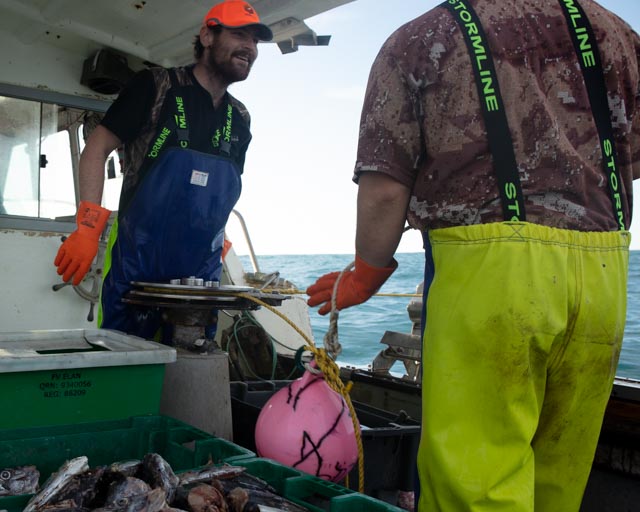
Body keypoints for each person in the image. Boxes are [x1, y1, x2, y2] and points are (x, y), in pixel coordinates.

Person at [306, 0, 640, 510]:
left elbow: (385, 190)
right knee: (558, 481)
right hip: (604, 277)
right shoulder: (614, 33)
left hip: (491, 281)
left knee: (474, 486)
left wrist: (367, 273)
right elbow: (630, 158)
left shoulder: (420, 39)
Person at [53, 0, 272, 340]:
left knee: (192, 363)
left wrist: (221, 236)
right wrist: (88, 228)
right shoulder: (156, 86)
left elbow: (220, 189)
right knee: (125, 362)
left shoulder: (240, 118)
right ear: (208, 36)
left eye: (255, 40)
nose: (251, 47)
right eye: (240, 35)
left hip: (200, 272)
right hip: (135, 261)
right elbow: (96, 148)